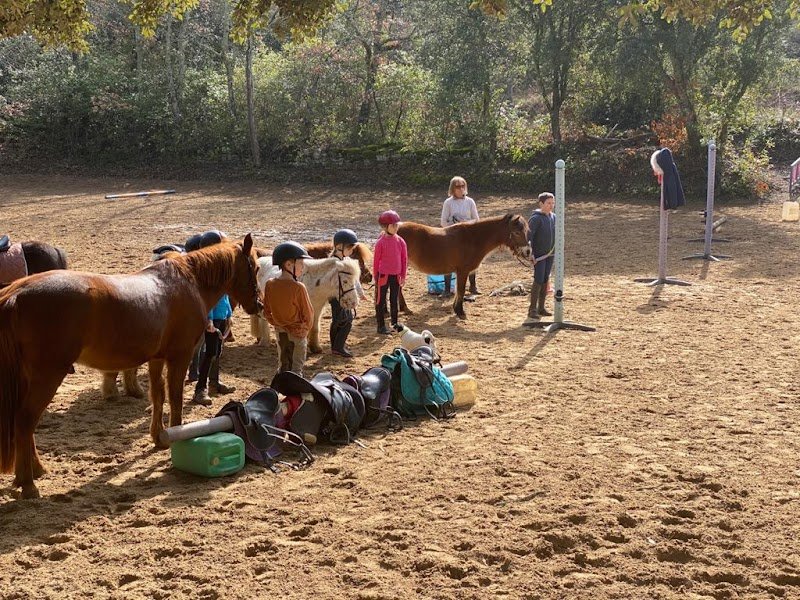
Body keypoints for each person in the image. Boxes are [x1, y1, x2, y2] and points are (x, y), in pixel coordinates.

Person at [191, 233, 237, 406]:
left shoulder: (219, 268)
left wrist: (228, 315)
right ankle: (200, 389)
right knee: (209, 352)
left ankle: (214, 382)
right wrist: (208, 319)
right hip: (210, 318)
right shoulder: (204, 270)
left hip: (221, 316)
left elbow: (223, 295)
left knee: (217, 352)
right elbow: (204, 297)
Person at [263, 241, 314, 375]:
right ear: (288, 265)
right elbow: (308, 314)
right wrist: (304, 330)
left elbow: (266, 311)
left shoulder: (269, 284)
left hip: (280, 332)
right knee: (297, 369)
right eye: (301, 264)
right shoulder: (298, 288)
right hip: (297, 333)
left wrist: (277, 323)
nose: (302, 268)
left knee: (283, 365)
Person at [328, 229, 366, 358]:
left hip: (345, 295)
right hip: (337, 296)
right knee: (345, 319)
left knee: (341, 319)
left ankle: (336, 345)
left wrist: (360, 293)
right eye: (349, 248)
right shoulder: (332, 262)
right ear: (339, 247)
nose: (351, 251)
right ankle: (338, 346)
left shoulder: (347, 260)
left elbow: (354, 280)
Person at [441, 176, 480, 297]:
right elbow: (443, 222)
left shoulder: (470, 201)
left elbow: (476, 220)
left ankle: (473, 286)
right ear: (453, 188)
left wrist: (465, 224)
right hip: (453, 236)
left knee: (471, 260)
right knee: (448, 260)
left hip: (468, 236)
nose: (461, 189)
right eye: (458, 186)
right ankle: (447, 289)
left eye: (463, 186)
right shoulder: (448, 203)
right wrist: (456, 225)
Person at [524, 192, 556, 325]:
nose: (551, 206)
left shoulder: (554, 217)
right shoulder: (536, 219)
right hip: (539, 255)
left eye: (552, 203)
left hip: (550, 254)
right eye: (548, 203)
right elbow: (528, 237)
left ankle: (541, 307)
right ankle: (532, 309)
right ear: (541, 204)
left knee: (545, 279)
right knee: (538, 279)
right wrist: (530, 254)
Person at [373, 210, 407, 335]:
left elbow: (404, 259)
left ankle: (394, 323)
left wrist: (403, 275)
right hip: (384, 275)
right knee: (380, 301)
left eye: (397, 225)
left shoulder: (400, 241)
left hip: (396, 275)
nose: (396, 227)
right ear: (386, 227)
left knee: (394, 299)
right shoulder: (380, 243)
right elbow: (376, 261)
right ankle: (381, 325)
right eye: (393, 225)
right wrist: (375, 276)